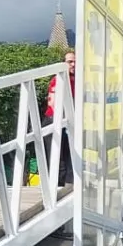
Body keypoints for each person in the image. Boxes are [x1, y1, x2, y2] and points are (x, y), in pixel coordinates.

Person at [48, 49, 76, 185]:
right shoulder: (58, 80)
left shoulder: (78, 81)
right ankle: (56, 192)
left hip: (69, 122)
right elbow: (53, 103)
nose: (73, 65)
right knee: (58, 162)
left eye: (75, 62)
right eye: (69, 62)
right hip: (55, 121)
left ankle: (69, 191)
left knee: (70, 160)